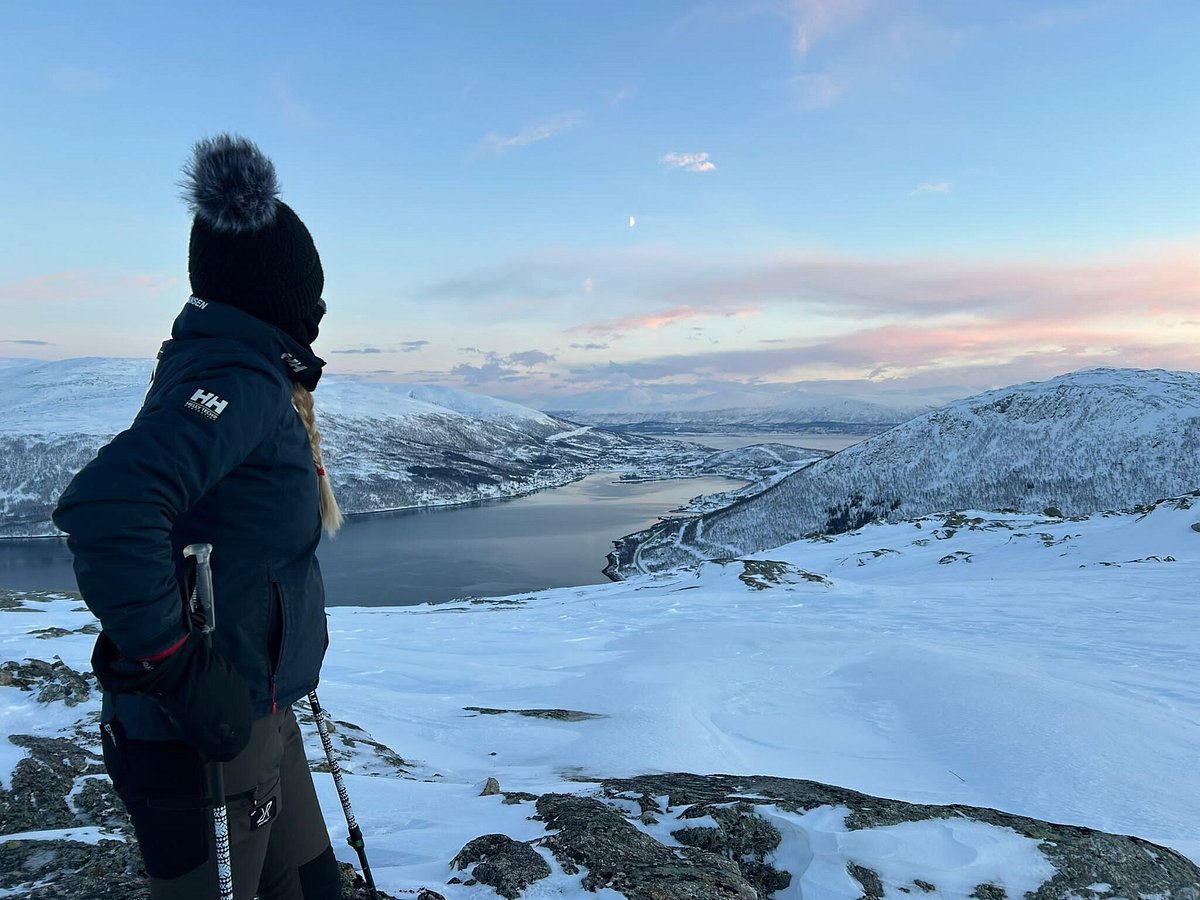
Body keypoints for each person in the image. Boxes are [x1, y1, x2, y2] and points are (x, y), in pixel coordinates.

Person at [53, 134, 344, 899]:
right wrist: (179, 667)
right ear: (273, 293)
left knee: (314, 888)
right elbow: (109, 504)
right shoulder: (238, 376)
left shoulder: (232, 366)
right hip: (202, 736)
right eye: (310, 290)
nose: (318, 308)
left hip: (257, 711)